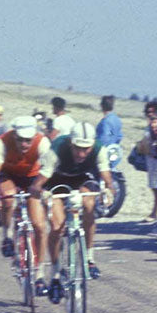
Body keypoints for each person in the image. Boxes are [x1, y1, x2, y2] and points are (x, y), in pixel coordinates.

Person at [0, 115, 55, 292]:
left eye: (28, 140)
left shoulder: (42, 142)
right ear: (14, 135)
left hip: (32, 179)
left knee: (40, 226)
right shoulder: (3, 141)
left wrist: (44, 189)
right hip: (8, 176)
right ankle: (8, 234)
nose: (24, 144)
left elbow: (50, 169)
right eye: (20, 140)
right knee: (8, 198)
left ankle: (39, 273)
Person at [44, 121, 114, 291]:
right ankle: (55, 272)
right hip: (56, 180)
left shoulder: (99, 149)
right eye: (77, 148)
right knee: (56, 227)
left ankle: (89, 259)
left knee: (89, 203)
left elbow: (106, 177)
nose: (82, 154)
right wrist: (42, 193)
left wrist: (109, 191)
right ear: (70, 143)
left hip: (83, 179)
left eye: (86, 149)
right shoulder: (58, 146)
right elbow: (43, 176)